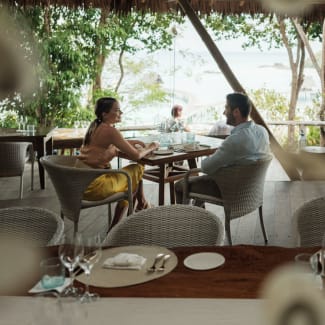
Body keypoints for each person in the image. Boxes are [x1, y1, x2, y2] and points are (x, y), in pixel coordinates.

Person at [175, 92, 272, 205]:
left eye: (226, 108)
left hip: (229, 191)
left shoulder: (236, 140)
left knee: (179, 185)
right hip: (251, 190)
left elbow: (206, 167)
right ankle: (198, 218)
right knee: (203, 184)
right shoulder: (262, 131)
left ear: (236, 112)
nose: (224, 112)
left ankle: (183, 220)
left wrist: (216, 153)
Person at [77, 97, 159, 228]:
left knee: (132, 176)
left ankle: (141, 205)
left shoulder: (95, 126)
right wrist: (152, 146)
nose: (121, 113)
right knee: (136, 169)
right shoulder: (110, 131)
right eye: (117, 110)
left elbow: (108, 145)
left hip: (78, 183)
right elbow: (137, 155)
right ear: (105, 114)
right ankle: (116, 227)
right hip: (94, 187)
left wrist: (129, 143)